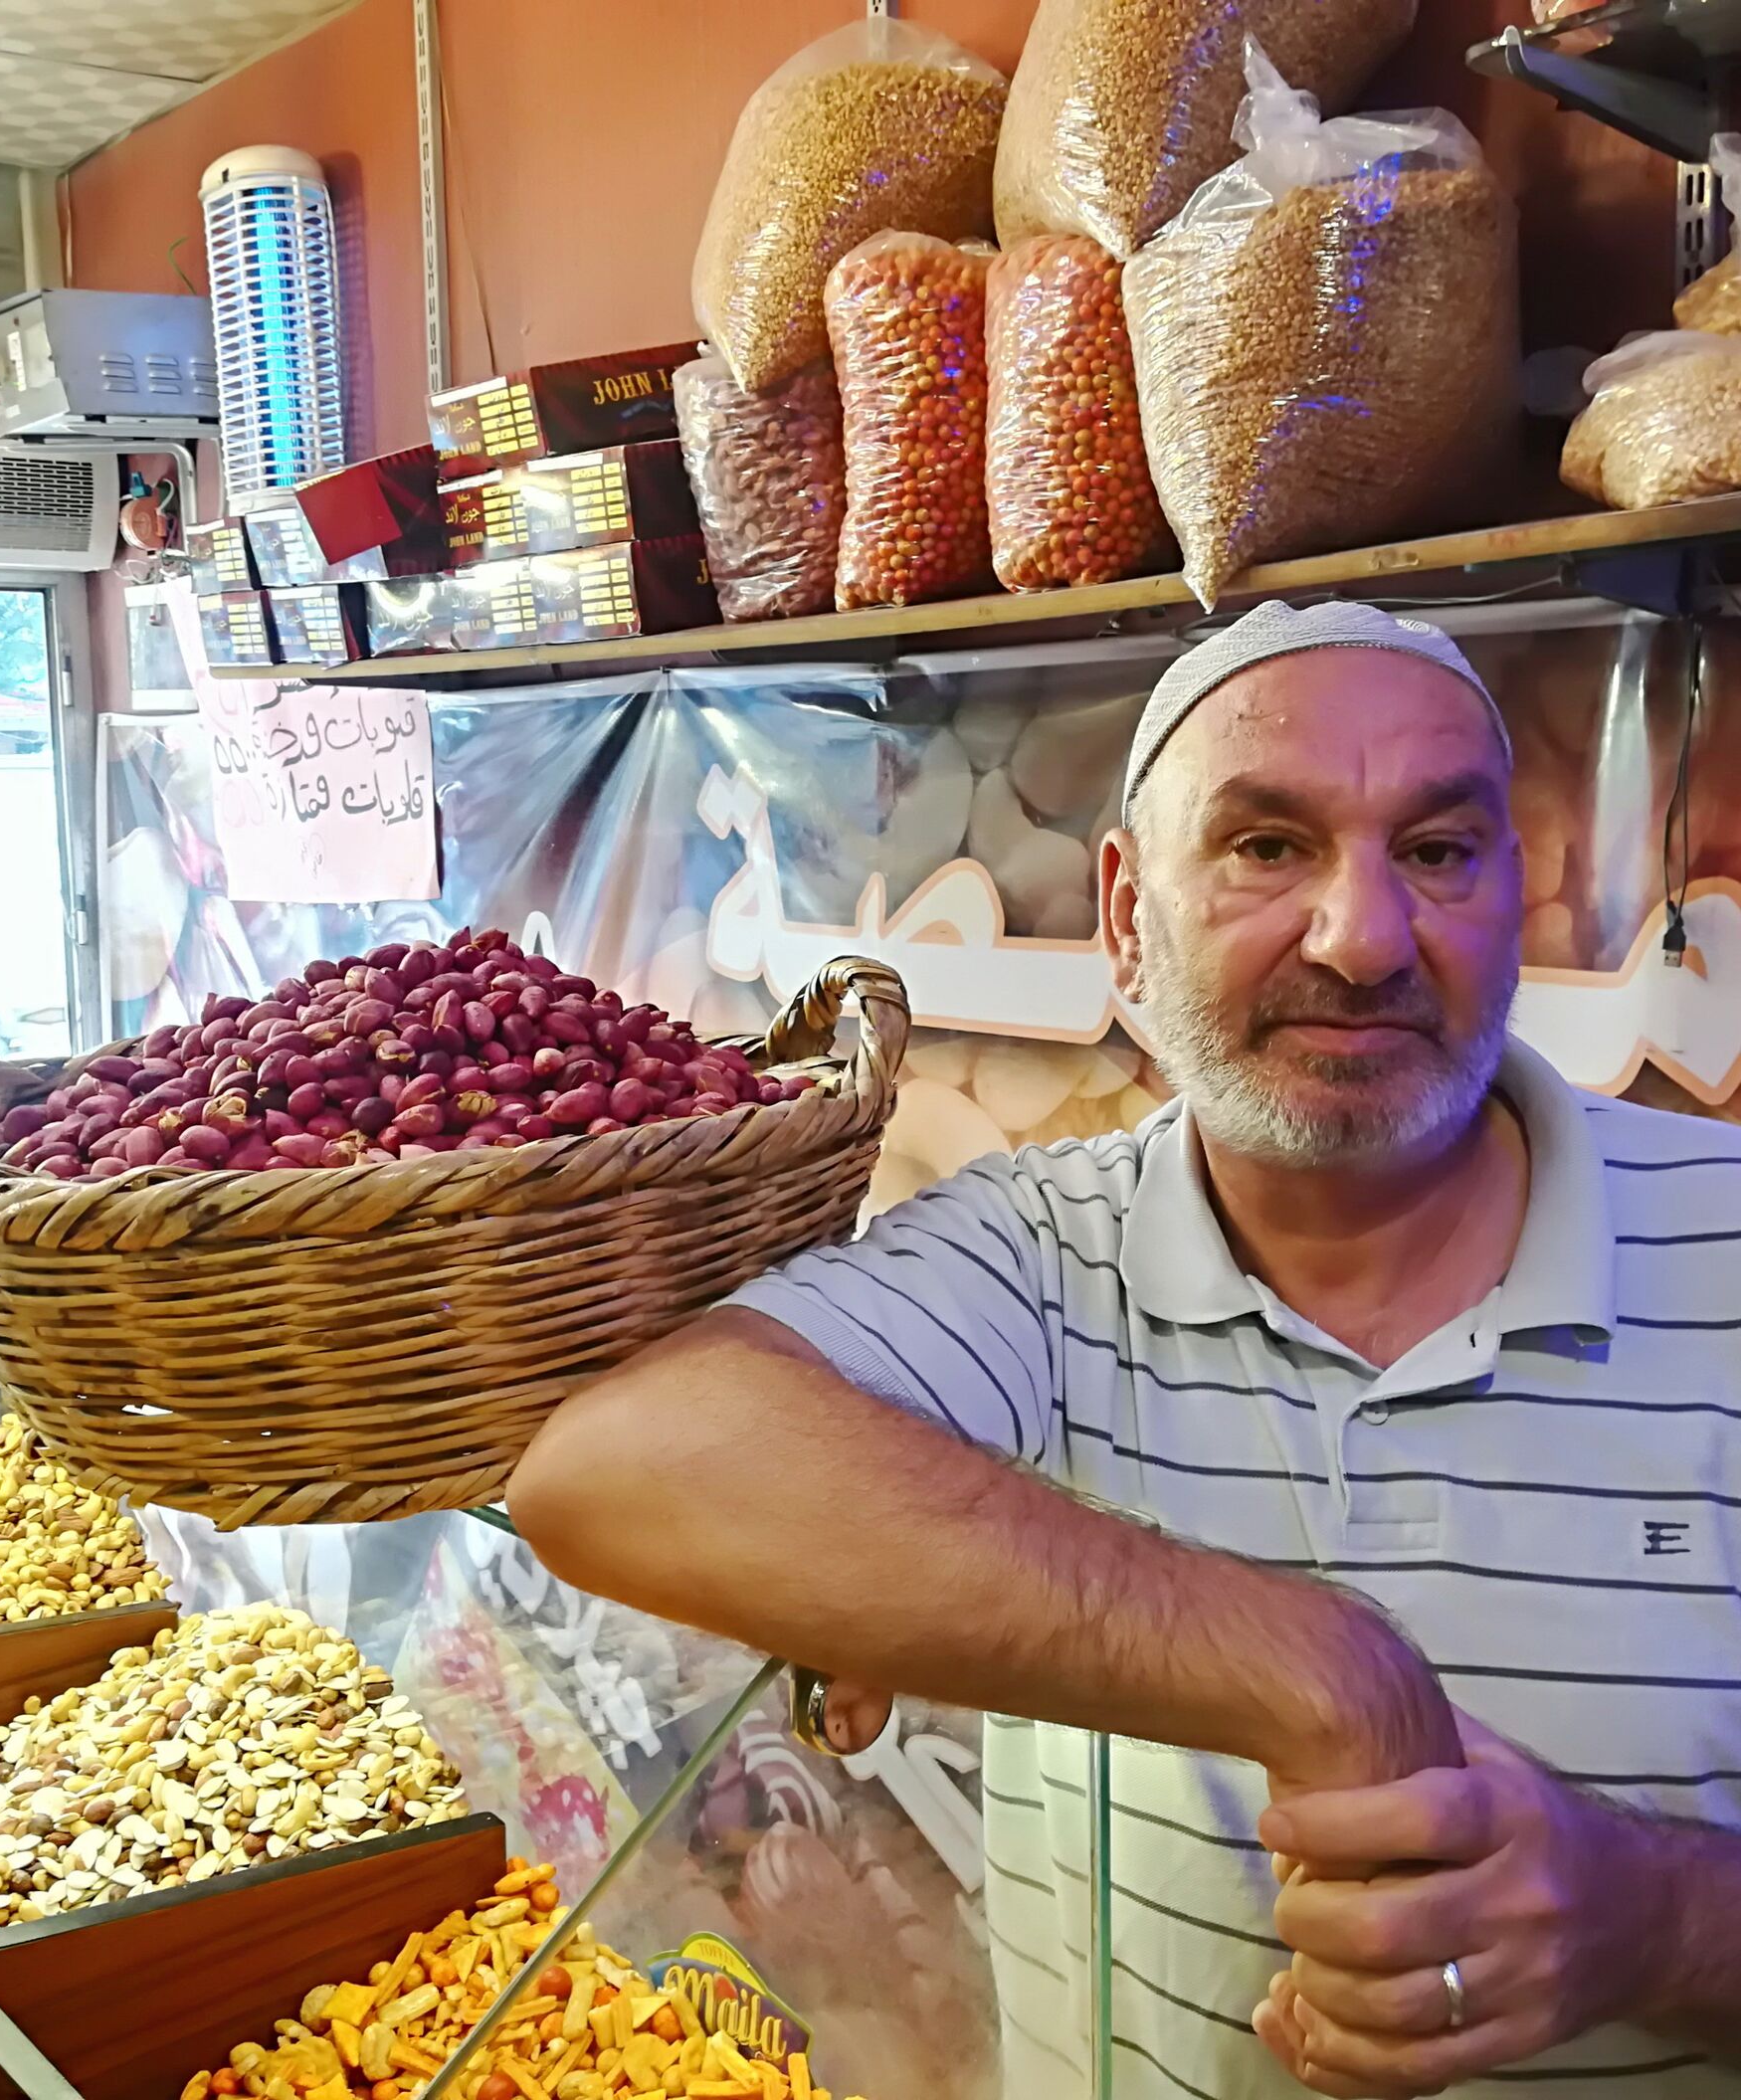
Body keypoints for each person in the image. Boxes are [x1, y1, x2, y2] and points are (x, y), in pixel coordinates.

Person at [508, 600, 1741, 2100]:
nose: (1363, 940)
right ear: (1123, 920)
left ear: (1510, 890)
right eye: (1267, 847)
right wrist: (1314, 1668)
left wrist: (1652, 1922)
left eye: (1437, 851)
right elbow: (609, 1467)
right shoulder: (1039, 1252)